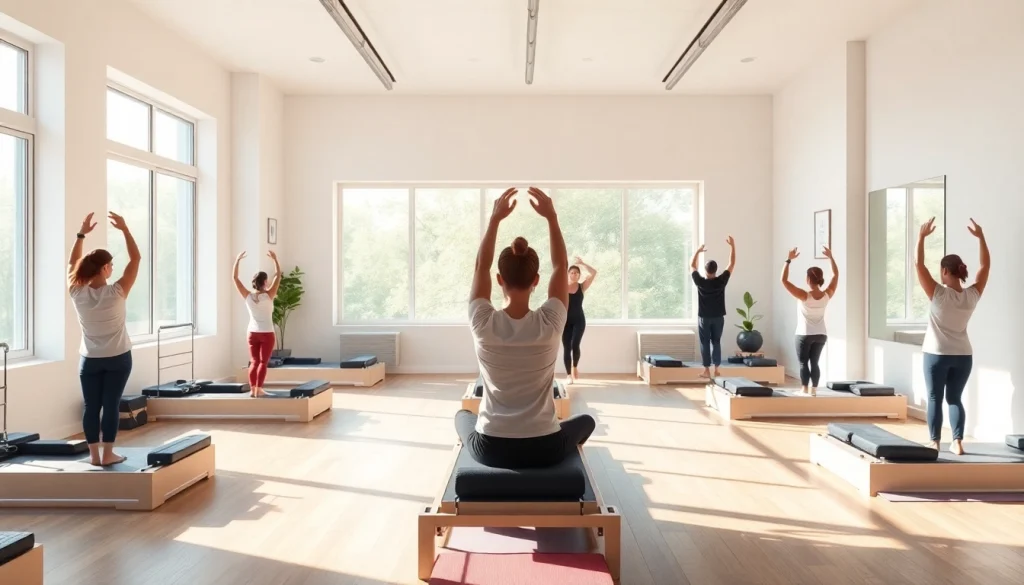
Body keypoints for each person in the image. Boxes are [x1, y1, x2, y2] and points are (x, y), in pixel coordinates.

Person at [458, 187, 596, 469]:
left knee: (462, 417)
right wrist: (551, 218)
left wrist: (495, 219)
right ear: (536, 280)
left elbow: (479, 267)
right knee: (586, 422)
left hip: (490, 448)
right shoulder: (551, 321)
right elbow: (561, 267)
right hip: (544, 447)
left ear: (499, 279)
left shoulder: (482, 321)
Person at [68, 212, 140, 466]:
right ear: (104, 268)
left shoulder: (76, 292)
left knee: (91, 407)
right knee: (110, 405)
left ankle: (94, 456)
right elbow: (136, 258)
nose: (113, 269)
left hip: (90, 360)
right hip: (119, 357)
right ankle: (108, 454)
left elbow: (72, 263)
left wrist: (81, 234)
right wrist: (125, 229)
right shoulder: (117, 291)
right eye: (111, 265)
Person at [916, 217, 989, 456]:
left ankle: (935, 442)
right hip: (963, 356)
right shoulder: (972, 295)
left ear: (945, 271)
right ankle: (957, 441)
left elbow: (919, 265)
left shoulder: (938, 294)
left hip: (936, 355)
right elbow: (985, 268)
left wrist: (921, 238)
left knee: (935, 397)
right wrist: (981, 238)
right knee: (955, 398)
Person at [780, 246, 839, 396]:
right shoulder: (827, 294)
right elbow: (836, 275)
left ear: (808, 280)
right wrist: (831, 258)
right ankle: (814, 390)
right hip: (821, 334)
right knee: (815, 363)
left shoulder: (804, 295)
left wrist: (788, 260)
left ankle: (804, 389)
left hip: (804, 334)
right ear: (820, 279)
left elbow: (784, 280)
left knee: (803, 363)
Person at [233, 250, 282, 398]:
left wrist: (237, 260)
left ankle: (252, 390)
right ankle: (258, 389)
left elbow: (235, 278)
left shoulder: (247, 296)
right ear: (265, 282)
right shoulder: (269, 295)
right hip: (267, 333)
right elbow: (278, 275)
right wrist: (275, 259)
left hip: (252, 333)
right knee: (263, 363)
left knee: (254, 362)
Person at [690, 236, 736, 378]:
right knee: (716, 342)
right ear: (716, 270)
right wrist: (732, 246)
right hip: (718, 317)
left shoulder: (700, 282)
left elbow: (692, 266)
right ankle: (716, 369)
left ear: (705, 271)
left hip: (704, 317)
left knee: (704, 342)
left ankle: (706, 371)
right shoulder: (721, 281)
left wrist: (698, 251)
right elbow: (732, 264)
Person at [562, 256, 597, 384]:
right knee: (566, 347)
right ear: (568, 274)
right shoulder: (563, 287)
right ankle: (568, 376)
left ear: (579, 275)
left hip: (579, 320)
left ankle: (575, 366)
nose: (574, 274)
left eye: (576, 273)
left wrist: (582, 263)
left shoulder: (582, 287)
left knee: (575, 345)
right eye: (572, 273)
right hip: (565, 321)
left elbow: (593, 273)